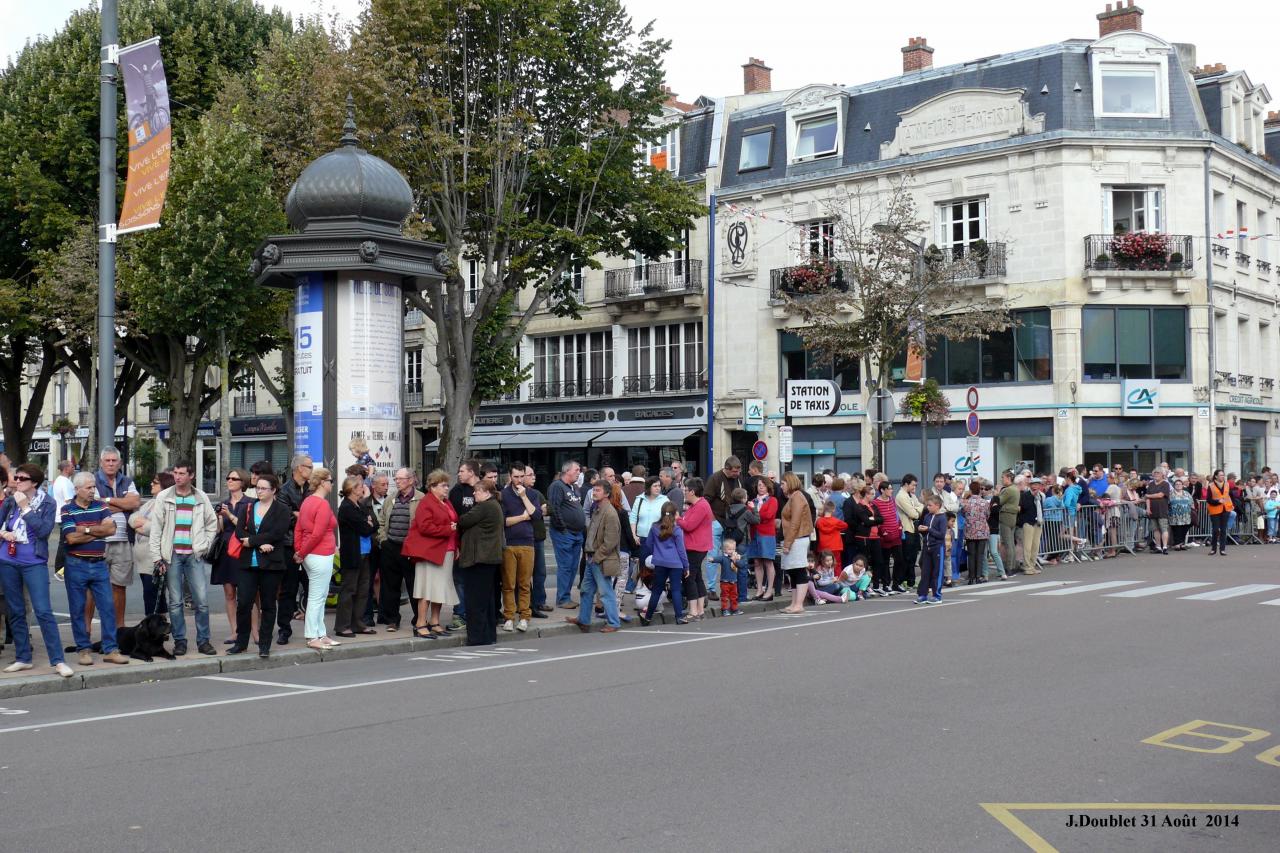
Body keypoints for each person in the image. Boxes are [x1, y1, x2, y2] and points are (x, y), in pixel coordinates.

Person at [1, 463, 74, 676]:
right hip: (7, 559)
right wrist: (3, 533)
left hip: (34, 561)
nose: (16, 481)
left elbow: (43, 531)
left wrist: (25, 508)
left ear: (34, 482)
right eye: (16, 477)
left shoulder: (48, 503)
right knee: (15, 610)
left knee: (43, 611)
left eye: (21, 478)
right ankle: (23, 657)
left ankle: (57, 660)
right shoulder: (10, 500)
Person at [59, 470, 130, 667]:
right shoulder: (67, 509)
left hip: (99, 563)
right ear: (77, 489)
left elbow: (111, 529)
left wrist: (86, 530)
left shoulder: (101, 506)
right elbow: (71, 538)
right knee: (78, 609)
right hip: (76, 564)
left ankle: (111, 649)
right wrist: (99, 531)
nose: (92, 491)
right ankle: (83, 649)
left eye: (93, 487)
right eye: (88, 487)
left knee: (108, 607)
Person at [150, 459, 220, 657]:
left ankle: (203, 641)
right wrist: (157, 557)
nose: (177, 477)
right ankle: (180, 641)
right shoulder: (164, 496)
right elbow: (156, 528)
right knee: (175, 602)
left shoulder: (200, 497)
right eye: (175, 473)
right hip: (172, 555)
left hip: (194, 554)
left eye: (182, 473)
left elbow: (212, 523)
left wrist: (205, 545)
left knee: (202, 601)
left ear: (191, 476)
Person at [230, 474, 292, 658]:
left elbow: (277, 533)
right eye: (257, 488)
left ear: (274, 490)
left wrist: (252, 541)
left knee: (268, 605)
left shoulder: (282, 510)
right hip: (248, 563)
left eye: (264, 488)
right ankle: (241, 642)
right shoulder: (248, 507)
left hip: (271, 564)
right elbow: (239, 531)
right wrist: (259, 544)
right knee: (244, 603)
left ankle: (264, 644)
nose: (259, 491)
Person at [88, 448, 139, 640]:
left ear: (120, 463)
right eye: (107, 460)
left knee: (119, 586)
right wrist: (121, 503)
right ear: (101, 462)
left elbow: (134, 503)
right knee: (91, 587)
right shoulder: (92, 480)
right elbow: (93, 506)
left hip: (123, 541)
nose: (110, 463)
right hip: (97, 541)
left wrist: (107, 500)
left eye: (114, 460)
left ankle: (119, 631)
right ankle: (86, 630)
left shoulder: (127, 481)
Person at [403, 470, 460, 637]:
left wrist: (456, 546)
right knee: (426, 589)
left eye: (447, 485)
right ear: (433, 487)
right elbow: (424, 527)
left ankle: (435, 622)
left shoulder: (446, 502)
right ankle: (421, 623)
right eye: (443, 485)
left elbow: (453, 524)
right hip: (430, 552)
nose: (446, 488)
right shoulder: (426, 502)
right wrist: (447, 529)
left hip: (446, 550)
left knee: (439, 589)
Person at [568, 481, 622, 633]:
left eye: (598, 490)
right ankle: (583, 620)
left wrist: (596, 557)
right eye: (594, 490)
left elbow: (611, 541)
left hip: (601, 559)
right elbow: (592, 534)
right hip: (592, 558)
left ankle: (613, 623)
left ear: (606, 494)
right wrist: (588, 553)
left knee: (605, 592)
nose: (594, 492)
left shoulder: (610, 513)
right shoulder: (597, 509)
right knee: (586, 590)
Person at [294, 467, 338, 650]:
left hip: (312, 554)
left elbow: (299, 528)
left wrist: (300, 551)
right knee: (317, 597)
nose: (332, 484)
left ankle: (321, 633)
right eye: (330, 481)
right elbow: (317, 534)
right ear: (322, 482)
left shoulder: (307, 501)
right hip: (320, 554)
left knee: (319, 595)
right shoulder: (322, 504)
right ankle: (313, 636)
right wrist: (301, 552)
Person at [456, 478, 504, 645]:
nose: (474, 493)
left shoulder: (485, 506)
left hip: (480, 559)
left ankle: (477, 637)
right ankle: (488, 636)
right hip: (487, 559)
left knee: (476, 601)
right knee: (487, 600)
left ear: (486, 492)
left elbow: (463, 520)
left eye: (477, 491)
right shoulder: (494, 505)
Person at [377, 468, 424, 631]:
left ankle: (419, 619)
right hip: (391, 547)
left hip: (411, 549)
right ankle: (392, 619)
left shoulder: (421, 499)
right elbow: (382, 521)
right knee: (391, 586)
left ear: (410, 480)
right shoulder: (391, 498)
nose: (396, 482)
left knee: (414, 585)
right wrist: (383, 540)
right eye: (396, 479)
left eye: (400, 479)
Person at [276, 454, 314, 645]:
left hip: (310, 545)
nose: (312, 470)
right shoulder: (284, 491)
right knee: (288, 589)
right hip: (289, 545)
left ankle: (314, 628)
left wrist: (299, 514)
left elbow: (316, 514)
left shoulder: (312, 489)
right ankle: (284, 629)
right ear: (299, 468)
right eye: (309, 466)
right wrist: (303, 516)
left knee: (312, 588)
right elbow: (286, 518)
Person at [499, 463, 540, 633]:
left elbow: (536, 515)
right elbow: (503, 521)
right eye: (516, 476)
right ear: (510, 477)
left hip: (527, 543)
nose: (519, 480)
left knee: (524, 584)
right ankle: (509, 617)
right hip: (509, 543)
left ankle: (524, 617)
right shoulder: (503, 495)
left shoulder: (532, 494)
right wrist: (523, 517)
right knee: (508, 584)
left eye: (522, 476)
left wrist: (524, 497)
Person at [335, 475, 378, 637]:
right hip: (353, 554)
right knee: (349, 590)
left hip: (365, 552)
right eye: (360, 486)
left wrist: (369, 522)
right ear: (353, 489)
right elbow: (365, 529)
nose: (363, 488)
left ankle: (358, 623)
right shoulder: (346, 507)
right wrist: (368, 523)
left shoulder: (360, 505)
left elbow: (375, 523)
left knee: (363, 590)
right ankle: (342, 626)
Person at [214, 468, 253, 644]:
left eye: (234, 478)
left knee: (249, 594)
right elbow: (219, 530)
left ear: (242, 482)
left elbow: (247, 528)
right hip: (226, 550)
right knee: (229, 593)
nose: (229, 480)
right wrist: (218, 517)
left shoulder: (250, 503)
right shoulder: (224, 503)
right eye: (228, 478)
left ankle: (254, 632)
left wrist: (229, 515)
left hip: (244, 549)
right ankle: (235, 631)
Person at [129, 471, 174, 618]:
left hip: (154, 559)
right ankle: (155, 622)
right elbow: (132, 519)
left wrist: (144, 525)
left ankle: (157, 623)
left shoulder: (167, 504)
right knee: (149, 594)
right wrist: (144, 524)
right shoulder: (150, 503)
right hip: (143, 560)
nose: (151, 484)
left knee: (154, 595)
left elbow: (161, 529)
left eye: (155, 482)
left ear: (164, 486)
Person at [638, 503, 688, 626]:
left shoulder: (654, 527)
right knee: (676, 590)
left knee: (656, 590)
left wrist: (657, 552)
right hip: (675, 563)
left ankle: (648, 617)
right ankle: (679, 617)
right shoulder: (677, 530)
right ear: (674, 514)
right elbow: (681, 550)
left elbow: (649, 544)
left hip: (660, 562)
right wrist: (686, 566)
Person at [447, 459, 481, 632]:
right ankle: (460, 615)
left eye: (462, 471)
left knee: (479, 581)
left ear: (471, 472)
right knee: (459, 579)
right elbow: (453, 517)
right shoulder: (457, 491)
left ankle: (478, 614)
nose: (459, 474)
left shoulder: (484, 488)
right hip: (462, 542)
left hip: (481, 544)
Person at [548, 460, 586, 609]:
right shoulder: (557, 486)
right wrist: (563, 528)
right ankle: (563, 599)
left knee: (573, 566)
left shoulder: (574, 487)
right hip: (564, 533)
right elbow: (554, 508)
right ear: (567, 471)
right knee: (565, 566)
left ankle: (566, 596)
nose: (579, 473)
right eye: (576, 470)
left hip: (577, 533)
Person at [704, 456, 744, 592]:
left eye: (738, 471)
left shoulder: (738, 479)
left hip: (731, 523)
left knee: (730, 556)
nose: (737, 474)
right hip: (717, 520)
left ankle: (729, 586)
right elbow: (706, 500)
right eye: (734, 472)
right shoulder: (715, 478)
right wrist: (712, 519)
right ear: (727, 468)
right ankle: (711, 589)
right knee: (714, 555)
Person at [675, 477, 712, 620]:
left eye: (685, 490)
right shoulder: (696, 505)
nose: (684, 492)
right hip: (696, 545)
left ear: (692, 491)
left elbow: (689, 526)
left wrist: (678, 518)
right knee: (697, 577)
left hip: (696, 546)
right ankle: (700, 610)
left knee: (689, 577)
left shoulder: (701, 506)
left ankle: (693, 611)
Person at [779, 472, 814, 615]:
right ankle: (794, 603)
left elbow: (795, 522)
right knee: (792, 571)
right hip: (795, 538)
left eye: (783, 483)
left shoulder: (797, 497)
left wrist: (787, 543)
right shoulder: (794, 497)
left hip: (797, 539)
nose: (781, 486)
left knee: (799, 570)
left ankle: (799, 604)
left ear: (790, 483)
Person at [846, 485, 886, 595]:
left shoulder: (873, 505)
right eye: (872, 494)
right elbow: (866, 521)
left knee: (878, 561)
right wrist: (871, 520)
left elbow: (881, 519)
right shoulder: (859, 507)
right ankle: (865, 586)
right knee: (864, 562)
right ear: (866, 495)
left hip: (875, 536)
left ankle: (876, 585)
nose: (874, 496)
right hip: (864, 537)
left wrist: (873, 519)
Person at [746, 478, 778, 602]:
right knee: (757, 562)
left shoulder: (772, 500)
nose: (761, 487)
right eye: (759, 485)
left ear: (768, 487)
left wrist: (755, 512)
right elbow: (748, 517)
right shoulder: (752, 501)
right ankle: (759, 590)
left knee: (768, 562)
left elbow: (768, 515)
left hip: (767, 534)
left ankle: (769, 591)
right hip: (754, 534)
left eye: (763, 485)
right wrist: (755, 514)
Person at [915, 496, 948, 604]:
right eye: (927, 505)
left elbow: (941, 534)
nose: (928, 507)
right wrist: (920, 529)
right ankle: (923, 594)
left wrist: (929, 529)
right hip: (927, 546)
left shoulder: (942, 518)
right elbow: (925, 531)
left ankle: (937, 595)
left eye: (930, 505)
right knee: (925, 572)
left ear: (937, 506)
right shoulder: (927, 516)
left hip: (937, 547)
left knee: (937, 572)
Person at [50, 459, 76, 581]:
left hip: (61, 516)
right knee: (65, 543)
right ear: (66, 469)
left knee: (64, 543)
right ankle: (60, 570)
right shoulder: (65, 482)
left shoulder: (59, 480)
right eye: (72, 466)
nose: (74, 468)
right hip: (67, 516)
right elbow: (69, 500)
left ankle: (61, 570)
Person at [962, 480, 991, 585]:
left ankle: (971, 577)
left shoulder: (966, 503)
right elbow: (987, 515)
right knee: (980, 554)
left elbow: (963, 514)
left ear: (970, 490)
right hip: (982, 531)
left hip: (970, 531)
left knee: (971, 555)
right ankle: (978, 577)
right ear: (979, 490)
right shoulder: (984, 502)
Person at [711, 534, 747, 615]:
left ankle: (734, 609)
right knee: (725, 596)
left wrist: (735, 560)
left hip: (734, 581)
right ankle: (725, 609)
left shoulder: (736, 558)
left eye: (733, 549)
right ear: (725, 550)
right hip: (725, 581)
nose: (732, 551)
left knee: (734, 596)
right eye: (730, 549)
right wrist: (712, 559)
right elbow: (718, 559)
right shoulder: (724, 558)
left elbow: (741, 565)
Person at [1018, 475, 1043, 574]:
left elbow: (1041, 509)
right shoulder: (1025, 495)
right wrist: (1032, 496)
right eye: (1033, 484)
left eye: (1037, 484)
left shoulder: (1040, 496)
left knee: (1035, 546)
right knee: (1027, 546)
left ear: (1040, 486)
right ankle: (1027, 567)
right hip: (1028, 523)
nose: (1035, 486)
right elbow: (1024, 507)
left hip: (1038, 523)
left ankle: (1032, 566)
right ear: (1030, 485)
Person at [815, 500, 847, 571]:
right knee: (837, 564)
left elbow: (817, 526)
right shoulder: (836, 521)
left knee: (823, 563)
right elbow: (845, 525)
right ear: (833, 510)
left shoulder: (819, 521)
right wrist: (836, 528)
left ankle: (823, 577)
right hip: (835, 546)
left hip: (823, 546)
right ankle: (837, 577)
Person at [1145, 467, 1171, 555]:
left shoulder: (1165, 484)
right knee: (1155, 529)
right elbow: (1147, 498)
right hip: (1152, 510)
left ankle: (1165, 547)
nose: (1156, 474)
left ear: (1162, 475)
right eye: (1155, 473)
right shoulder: (1151, 484)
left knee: (1163, 528)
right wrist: (1148, 508)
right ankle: (1158, 547)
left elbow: (1160, 495)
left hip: (1162, 509)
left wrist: (1149, 495)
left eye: (1158, 473)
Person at [1206, 469, 1232, 556]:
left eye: (1223, 475)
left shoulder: (1227, 484)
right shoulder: (1211, 485)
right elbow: (1208, 500)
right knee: (1216, 530)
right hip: (1214, 510)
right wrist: (1217, 501)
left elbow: (1230, 496)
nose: (1222, 477)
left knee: (1223, 530)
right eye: (1221, 475)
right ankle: (1213, 549)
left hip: (1226, 509)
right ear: (1216, 476)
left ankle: (1222, 549)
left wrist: (1232, 505)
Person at [998, 472, 1020, 571]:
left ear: (1008, 478)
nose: (1002, 479)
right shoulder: (1015, 489)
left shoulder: (1008, 490)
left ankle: (1009, 567)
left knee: (1008, 544)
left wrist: (998, 492)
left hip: (1005, 517)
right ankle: (1013, 566)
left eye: (1003, 477)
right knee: (1011, 543)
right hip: (1012, 517)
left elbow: (999, 501)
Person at [1169, 479, 1193, 551]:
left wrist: (1193, 508)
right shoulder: (1171, 493)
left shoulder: (1186, 493)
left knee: (1184, 529)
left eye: (1180, 484)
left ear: (1182, 485)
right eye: (1176, 484)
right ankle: (1177, 544)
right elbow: (1167, 503)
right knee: (1177, 530)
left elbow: (1191, 502)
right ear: (1174, 486)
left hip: (1186, 515)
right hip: (1174, 515)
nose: (1178, 485)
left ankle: (1181, 543)